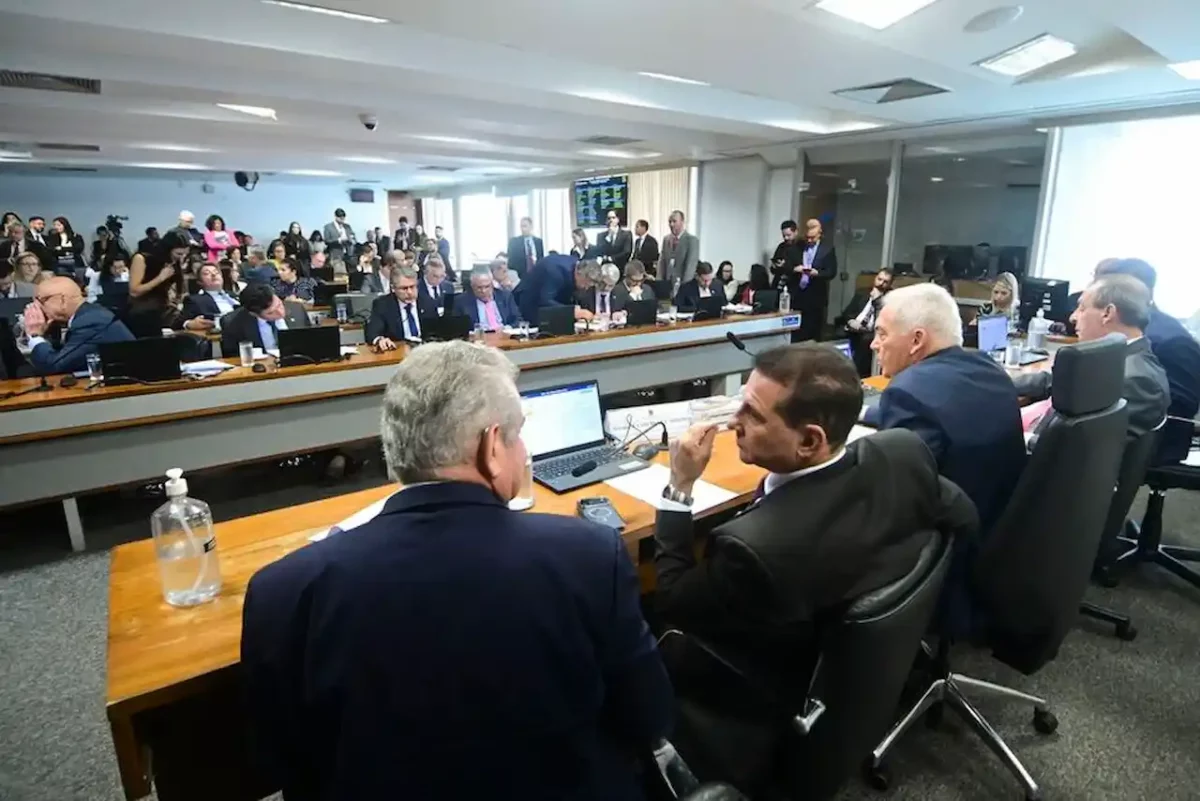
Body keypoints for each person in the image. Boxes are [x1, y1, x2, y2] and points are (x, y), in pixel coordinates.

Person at [241, 340, 672, 800]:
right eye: (518, 434)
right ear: (491, 447)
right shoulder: (589, 556)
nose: (524, 452)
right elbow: (649, 719)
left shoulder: (282, 590)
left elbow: (282, 766)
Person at [654, 345, 977, 781]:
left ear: (809, 441)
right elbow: (962, 517)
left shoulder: (753, 551)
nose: (733, 424)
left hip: (769, 691)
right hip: (855, 684)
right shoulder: (902, 453)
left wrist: (679, 488)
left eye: (752, 414)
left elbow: (672, 599)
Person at [865, 283, 1025, 542]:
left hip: (945, 552)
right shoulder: (989, 370)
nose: (874, 344)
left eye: (882, 334)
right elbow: (948, 416)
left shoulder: (907, 392)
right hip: (999, 535)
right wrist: (864, 411)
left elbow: (897, 501)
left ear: (917, 340)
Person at [1016, 274, 1168, 444]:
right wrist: (1002, 382)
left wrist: (1022, 439)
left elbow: (1084, 451)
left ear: (1107, 313)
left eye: (1081, 308)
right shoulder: (1116, 358)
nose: (1073, 317)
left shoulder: (1136, 381)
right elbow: (1058, 381)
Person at [1092, 258, 1200, 465]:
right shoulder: (1135, 327)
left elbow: (1179, 409)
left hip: (1154, 443)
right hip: (1128, 429)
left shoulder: (1169, 339)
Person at [21, 276, 134, 374]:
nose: (36, 307)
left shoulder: (90, 322)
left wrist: (35, 334)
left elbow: (53, 366)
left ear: (62, 301)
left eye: (41, 300)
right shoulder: (88, 313)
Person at [219, 282, 311, 356]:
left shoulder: (297, 309)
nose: (280, 312)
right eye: (271, 312)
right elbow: (233, 359)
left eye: (279, 304)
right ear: (253, 314)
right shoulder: (232, 323)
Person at [128, 231, 190, 338]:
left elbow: (179, 290)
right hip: (143, 312)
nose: (181, 258)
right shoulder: (142, 258)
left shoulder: (174, 262)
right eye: (178, 254)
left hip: (166, 309)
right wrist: (160, 278)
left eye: (184, 254)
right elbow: (134, 291)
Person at [839, 268, 894, 377]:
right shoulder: (862, 292)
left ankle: (857, 374)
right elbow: (847, 312)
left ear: (890, 284)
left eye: (885, 282)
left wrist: (877, 299)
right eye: (879, 279)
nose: (881, 283)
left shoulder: (890, 298)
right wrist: (851, 321)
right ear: (875, 278)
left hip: (870, 332)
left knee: (865, 341)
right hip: (854, 328)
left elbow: (882, 321)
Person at [789, 219, 837, 342]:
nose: (809, 241)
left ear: (819, 234)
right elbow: (788, 265)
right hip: (798, 295)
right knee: (797, 332)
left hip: (816, 296)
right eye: (808, 238)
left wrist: (818, 273)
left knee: (813, 332)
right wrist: (795, 269)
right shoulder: (799, 246)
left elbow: (831, 272)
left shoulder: (827, 249)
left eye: (813, 238)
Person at [517, 254, 601, 323]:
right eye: (585, 283)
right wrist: (573, 312)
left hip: (548, 300)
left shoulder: (577, 266)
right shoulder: (555, 272)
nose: (586, 288)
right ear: (579, 273)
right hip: (529, 303)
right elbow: (544, 301)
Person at [367, 265, 423, 348]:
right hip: (397, 353)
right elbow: (372, 333)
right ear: (393, 288)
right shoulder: (382, 304)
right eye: (404, 288)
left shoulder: (426, 301)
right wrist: (380, 340)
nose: (410, 292)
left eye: (412, 287)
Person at [454, 265, 520, 330]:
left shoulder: (505, 296)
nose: (483, 291)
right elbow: (457, 328)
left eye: (487, 286)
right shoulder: (461, 301)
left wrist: (507, 329)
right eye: (479, 287)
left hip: (504, 336)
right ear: (472, 286)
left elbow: (518, 319)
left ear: (492, 284)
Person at [658, 210, 699, 285]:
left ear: (682, 222)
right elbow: (662, 263)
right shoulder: (666, 239)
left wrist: (685, 286)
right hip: (667, 283)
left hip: (682, 284)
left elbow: (690, 266)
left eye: (674, 221)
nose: (671, 224)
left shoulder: (692, 241)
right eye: (670, 222)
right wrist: (659, 282)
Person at [769, 220, 805, 291]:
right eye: (784, 236)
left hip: (795, 285)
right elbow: (773, 269)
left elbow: (801, 266)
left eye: (788, 235)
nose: (786, 238)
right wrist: (774, 266)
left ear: (796, 232)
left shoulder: (802, 246)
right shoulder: (781, 246)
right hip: (779, 284)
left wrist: (785, 266)